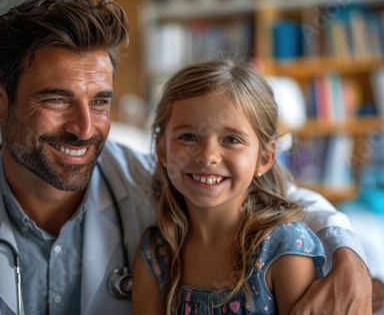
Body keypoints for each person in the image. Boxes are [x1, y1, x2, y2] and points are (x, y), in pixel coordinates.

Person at [0, 0, 372, 315]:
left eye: (100, 102)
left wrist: (348, 257)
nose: (85, 128)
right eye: (56, 100)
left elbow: (277, 199)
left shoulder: (147, 179)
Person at [132, 58, 326, 314]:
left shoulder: (284, 247)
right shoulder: (157, 252)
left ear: (264, 158)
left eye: (231, 139)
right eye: (188, 137)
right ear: (162, 151)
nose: (207, 155)